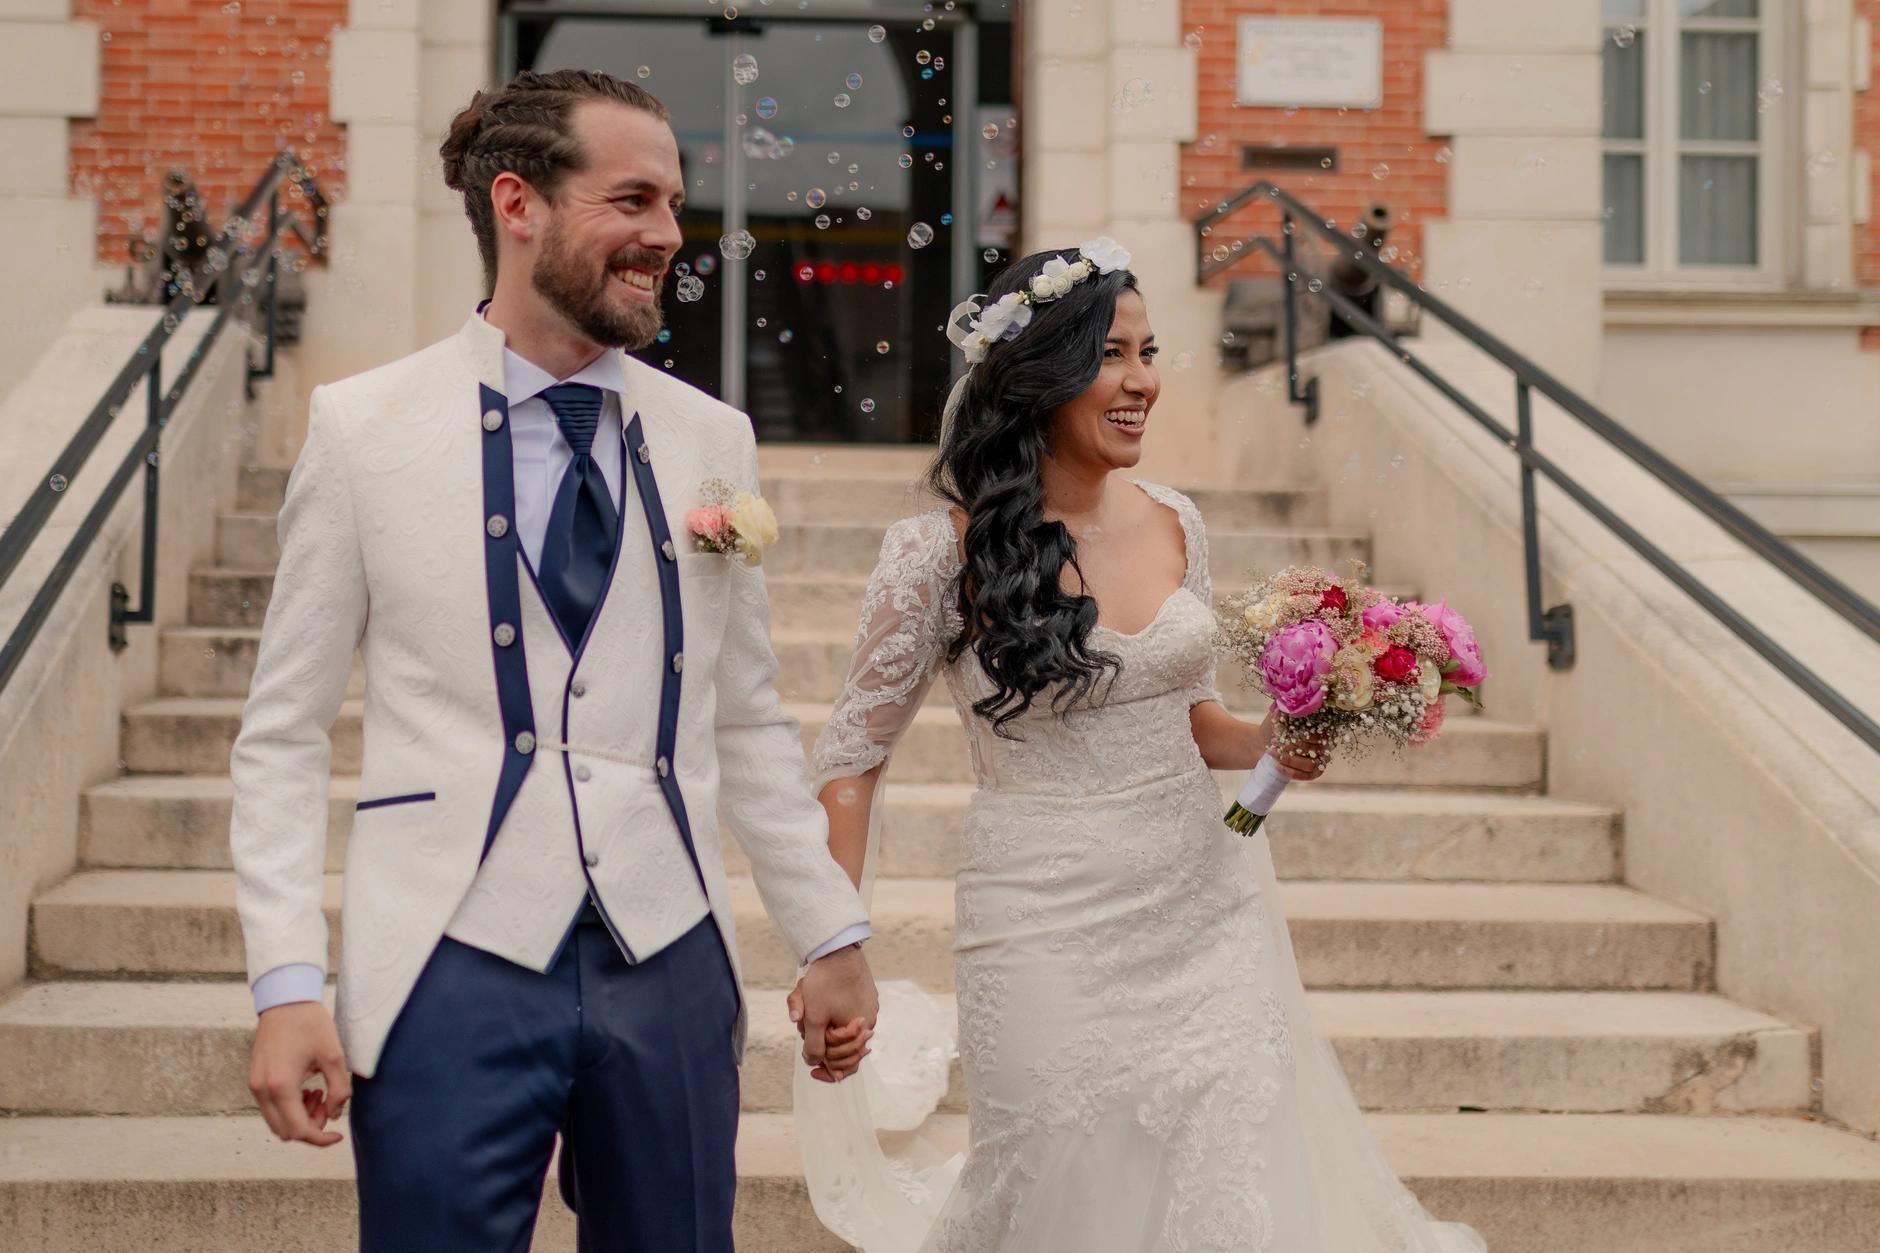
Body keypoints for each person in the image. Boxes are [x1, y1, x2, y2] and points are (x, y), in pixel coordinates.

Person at [229, 68, 878, 1251]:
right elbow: (279, 737)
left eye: (675, 204)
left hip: (667, 945)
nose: (669, 236)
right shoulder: (363, 429)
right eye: (632, 200)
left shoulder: (708, 436)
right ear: (517, 203)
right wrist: (284, 981)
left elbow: (744, 718)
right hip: (446, 955)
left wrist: (827, 932)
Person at [796, 242, 1486, 1252]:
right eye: (1110, 354)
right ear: (1038, 375)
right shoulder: (938, 553)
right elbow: (851, 755)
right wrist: (833, 941)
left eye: (1149, 351)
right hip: (1037, 913)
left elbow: (1192, 713)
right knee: (1056, 1172)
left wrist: (1274, 737)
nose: (1142, 380)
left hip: (1200, 907)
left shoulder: (1178, 523)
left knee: (1215, 1182)